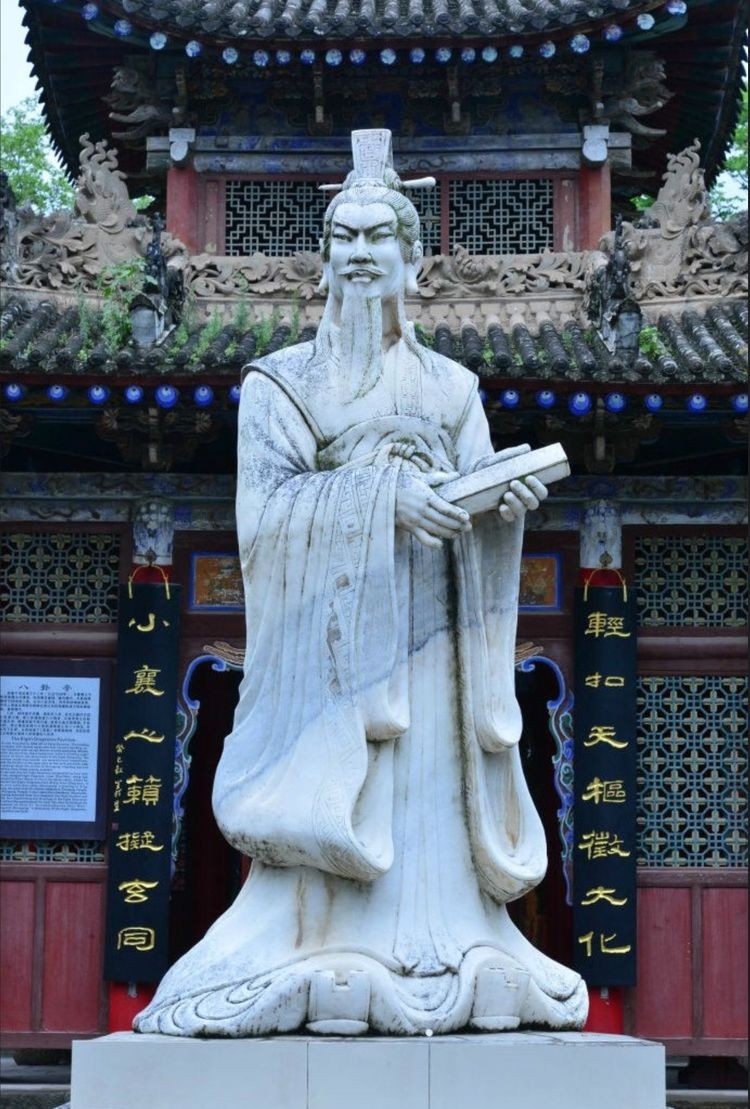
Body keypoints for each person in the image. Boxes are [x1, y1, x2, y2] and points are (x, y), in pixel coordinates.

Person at [135, 130, 587, 1037]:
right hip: (338, 660)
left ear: (413, 260)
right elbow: (265, 515)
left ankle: (449, 938)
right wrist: (385, 497)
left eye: (381, 236)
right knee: (355, 795)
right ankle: (318, 937)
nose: (361, 252)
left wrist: (501, 509)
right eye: (344, 236)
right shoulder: (282, 384)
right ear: (325, 258)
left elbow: (474, 497)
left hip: (434, 645)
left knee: (432, 802)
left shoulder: (453, 388)